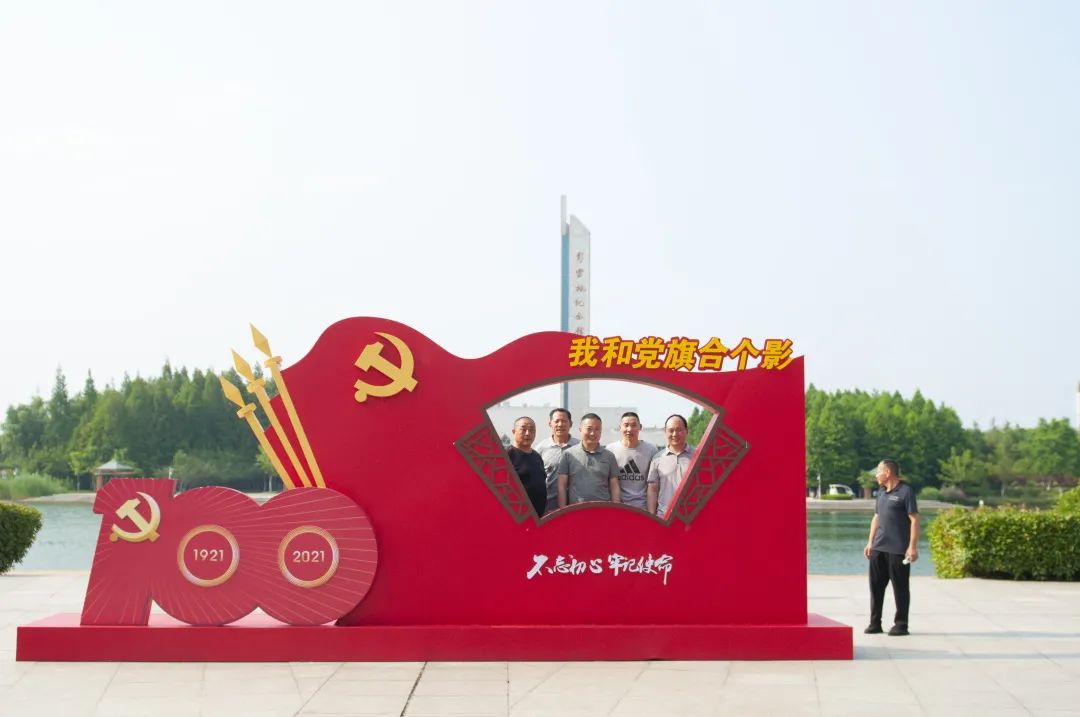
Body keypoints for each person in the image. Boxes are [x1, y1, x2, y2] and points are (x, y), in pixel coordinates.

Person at [863, 459, 919, 636]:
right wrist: (870, 542)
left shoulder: (906, 491)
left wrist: (912, 547)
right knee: (875, 587)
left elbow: (914, 520)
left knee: (900, 588)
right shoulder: (880, 492)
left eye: (878, 471)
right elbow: (877, 517)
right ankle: (875, 623)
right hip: (879, 548)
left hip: (898, 549)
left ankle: (901, 624)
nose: (876, 475)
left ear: (887, 472)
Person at [557, 413, 620, 507]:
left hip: (602, 510)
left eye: (597, 429)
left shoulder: (609, 456)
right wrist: (563, 511)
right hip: (576, 510)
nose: (593, 433)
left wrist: (616, 510)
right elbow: (561, 486)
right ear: (580, 430)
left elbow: (614, 486)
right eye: (589, 429)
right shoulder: (568, 454)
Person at [606, 412, 657, 511]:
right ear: (620, 427)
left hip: (643, 509)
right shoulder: (610, 449)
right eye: (626, 425)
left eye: (633, 425)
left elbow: (653, 484)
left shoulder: (651, 450)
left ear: (640, 427)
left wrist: (651, 512)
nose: (629, 429)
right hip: (619, 508)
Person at [646, 414, 694, 517]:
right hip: (664, 517)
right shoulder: (657, 458)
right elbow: (653, 489)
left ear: (686, 431)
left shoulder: (697, 456)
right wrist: (652, 516)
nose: (675, 434)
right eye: (671, 430)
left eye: (679, 430)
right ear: (665, 432)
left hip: (690, 516)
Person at [534, 408, 579, 513]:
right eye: (557, 421)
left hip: (575, 505)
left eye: (564, 421)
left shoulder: (579, 446)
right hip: (548, 507)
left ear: (571, 424)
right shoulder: (541, 448)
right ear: (550, 423)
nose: (560, 424)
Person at [506, 417, 547, 518]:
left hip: (538, 517)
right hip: (516, 516)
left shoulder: (537, 456)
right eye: (523, 429)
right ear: (514, 431)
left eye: (531, 430)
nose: (528, 433)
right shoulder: (507, 455)